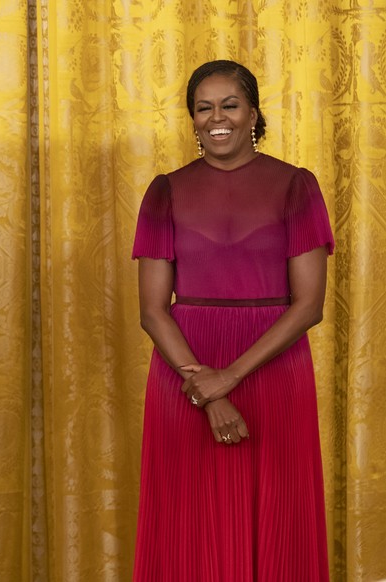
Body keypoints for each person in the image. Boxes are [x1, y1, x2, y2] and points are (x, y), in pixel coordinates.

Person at [132, 61, 333, 580]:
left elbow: (309, 305)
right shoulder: (165, 191)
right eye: (203, 107)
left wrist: (232, 377)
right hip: (186, 370)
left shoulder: (297, 186)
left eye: (229, 105)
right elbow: (153, 310)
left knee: (277, 514)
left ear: (253, 114)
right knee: (187, 516)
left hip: (272, 365)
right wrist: (211, 391)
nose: (216, 117)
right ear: (193, 119)